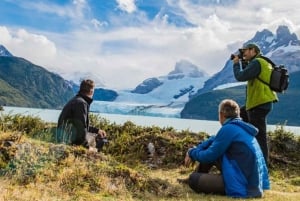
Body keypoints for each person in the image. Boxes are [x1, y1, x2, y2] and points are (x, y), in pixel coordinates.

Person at [181, 99, 269, 198]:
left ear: (221, 114)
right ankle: (199, 176)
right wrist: (195, 149)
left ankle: (194, 178)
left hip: (243, 186)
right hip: (251, 182)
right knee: (214, 151)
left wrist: (192, 152)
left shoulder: (228, 129)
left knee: (193, 179)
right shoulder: (239, 127)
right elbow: (214, 140)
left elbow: (208, 156)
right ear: (238, 115)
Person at [232, 43, 278, 164]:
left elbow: (241, 76)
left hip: (258, 103)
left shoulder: (257, 62)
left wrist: (236, 64)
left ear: (253, 50)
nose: (243, 54)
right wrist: (243, 61)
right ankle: (244, 156)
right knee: (238, 119)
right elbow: (249, 73)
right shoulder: (261, 61)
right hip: (258, 103)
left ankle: (262, 166)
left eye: (245, 51)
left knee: (260, 136)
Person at [56, 79, 107, 152]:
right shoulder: (81, 104)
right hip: (69, 141)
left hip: (65, 137)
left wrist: (97, 131)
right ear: (91, 91)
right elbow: (81, 129)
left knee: (95, 136)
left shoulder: (77, 100)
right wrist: (88, 148)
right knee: (98, 143)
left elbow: (80, 125)